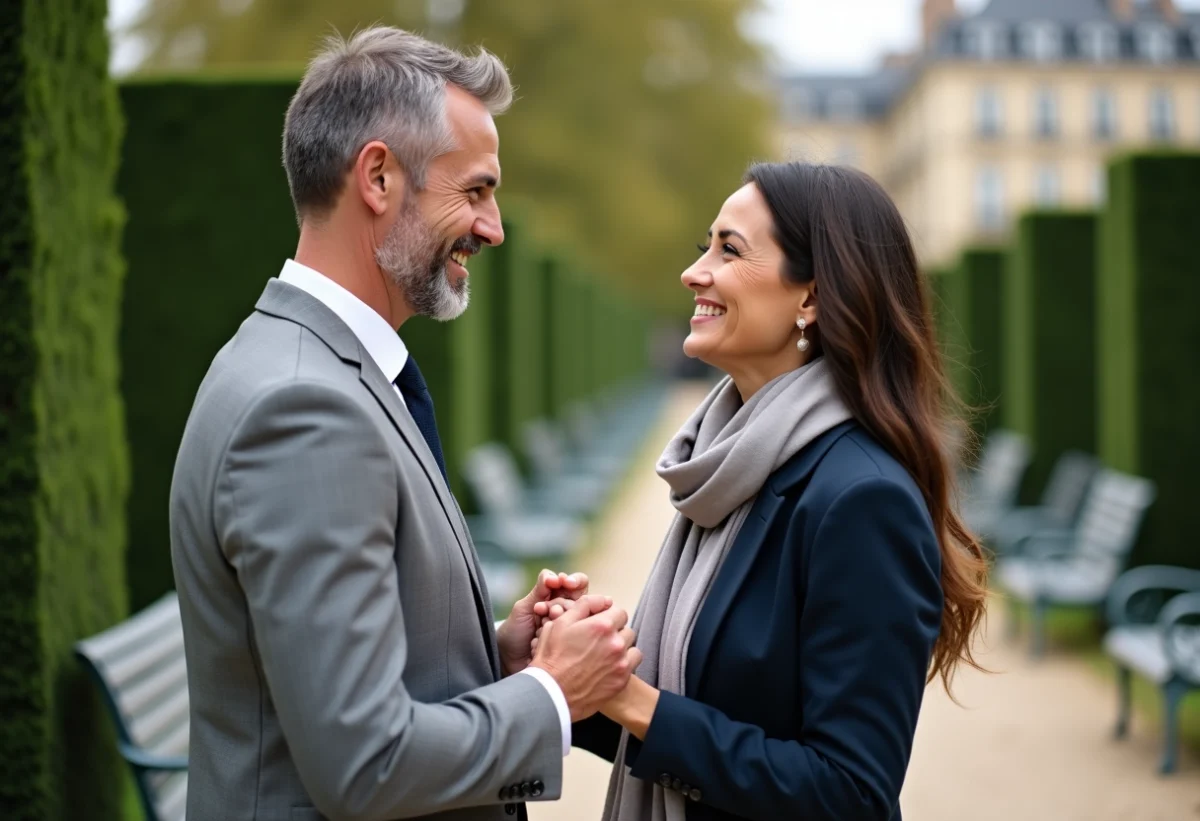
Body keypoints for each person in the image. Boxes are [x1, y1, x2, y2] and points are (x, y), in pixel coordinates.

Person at [168, 27, 640, 821]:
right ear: (379, 177)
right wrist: (551, 693)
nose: (493, 226)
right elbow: (366, 763)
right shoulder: (305, 409)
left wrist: (493, 651)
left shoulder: (309, 367)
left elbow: (327, 679)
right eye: (476, 190)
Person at [535, 162, 989, 820]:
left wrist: (634, 701)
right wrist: (568, 673)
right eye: (706, 247)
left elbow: (851, 793)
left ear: (812, 298)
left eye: (730, 249)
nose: (694, 273)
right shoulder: (727, 470)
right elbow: (692, 726)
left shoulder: (862, 499)